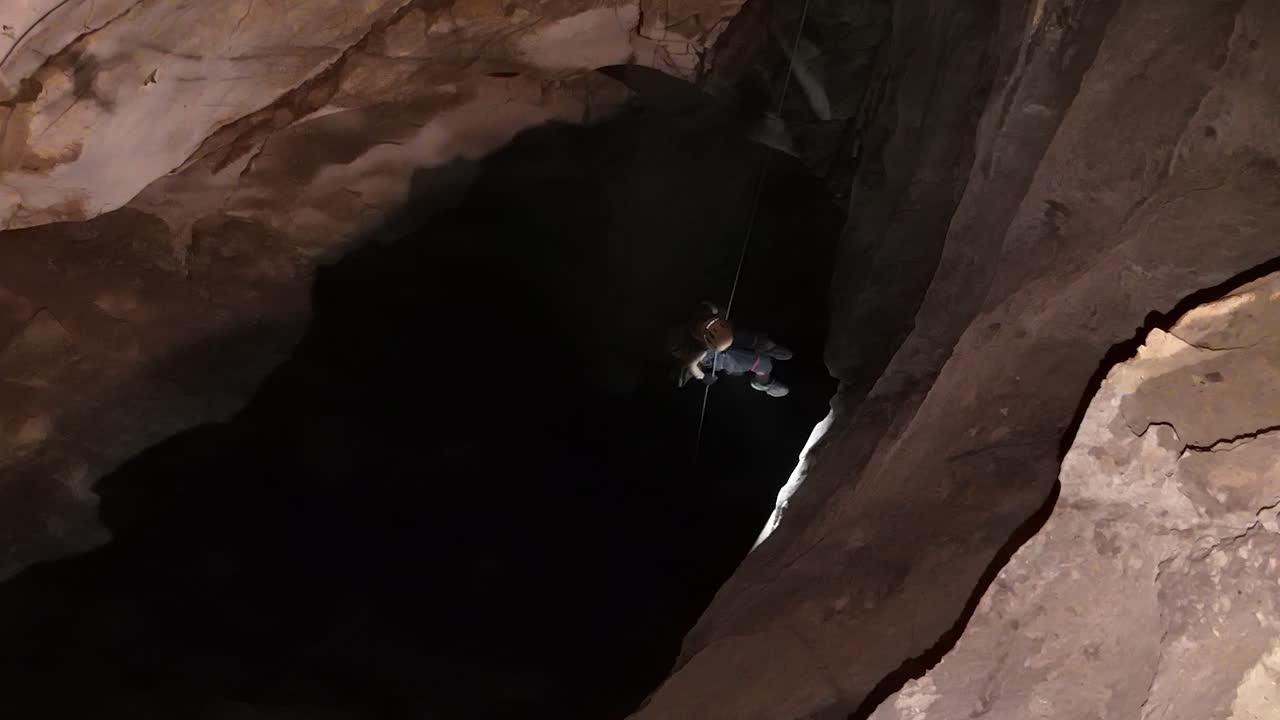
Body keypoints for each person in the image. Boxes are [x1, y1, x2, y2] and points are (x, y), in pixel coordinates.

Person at [669, 302, 793, 397]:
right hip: (713, 355)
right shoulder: (698, 351)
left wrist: (715, 309)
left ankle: (769, 347)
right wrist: (703, 377)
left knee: (758, 341)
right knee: (763, 363)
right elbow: (692, 365)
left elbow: (712, 307)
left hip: (725, 335)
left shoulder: (705, 314)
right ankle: (762, 383)